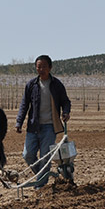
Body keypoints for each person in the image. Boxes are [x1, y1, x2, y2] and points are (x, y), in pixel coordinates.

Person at [15, 55, 71, 188]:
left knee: (45, 158)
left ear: (50, 68)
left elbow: (65, 101)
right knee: (28, 155)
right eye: (39, 67)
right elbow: (24, 105)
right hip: (33, 127)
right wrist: (19, 122)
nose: (41, 69)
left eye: (44, 66)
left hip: (50, 128)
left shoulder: (56, 85)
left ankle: (40, 187)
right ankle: (42, 178)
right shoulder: (31, 85)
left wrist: (66, 112)